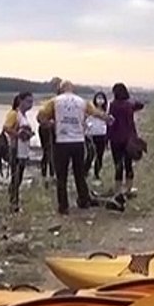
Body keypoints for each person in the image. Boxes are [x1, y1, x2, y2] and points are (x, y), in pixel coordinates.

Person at [36, 80, 106, 214]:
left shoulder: (54, 101)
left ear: (61, 89)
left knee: (61, 176)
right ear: (72, 89)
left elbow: (40, 116)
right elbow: (97, 113)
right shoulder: (82, 101)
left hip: (62, 141)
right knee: (79, 173)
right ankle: (84, 200)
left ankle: (63, 206)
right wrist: (107, 118)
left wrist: (48, 124)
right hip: (78, 141)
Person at [108, 82, 145, 199]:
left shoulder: (112, 105)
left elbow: (110, 123)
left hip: (115, 139)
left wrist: (107, 138)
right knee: (128, 165)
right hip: (129, 138)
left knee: (118, 165)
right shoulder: (129, 105)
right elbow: (141, 105)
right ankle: (128, 190)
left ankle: (118, 191)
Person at [1, 91, 35, 213]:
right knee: (15, 177)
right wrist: (19, 135)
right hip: (14, 149)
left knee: (19, 177)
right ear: (20, 101)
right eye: (28, 101)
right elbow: (6, 128)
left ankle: (14, 201)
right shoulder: (14, 114)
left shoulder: (23, 115)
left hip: (23, 150)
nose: (31, 104)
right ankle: (13, 203)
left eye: (32, 102)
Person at [85, 91, 110, 184]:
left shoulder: (106, 111)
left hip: (102, 134)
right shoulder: (90, 109)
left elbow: (109, 122)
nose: (100, 100)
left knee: (99, 156)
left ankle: (97, 174)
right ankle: (85, 172)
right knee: (90, 155)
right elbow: (85, 120)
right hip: (91, 135)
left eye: (102, 98)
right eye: (98, 98)